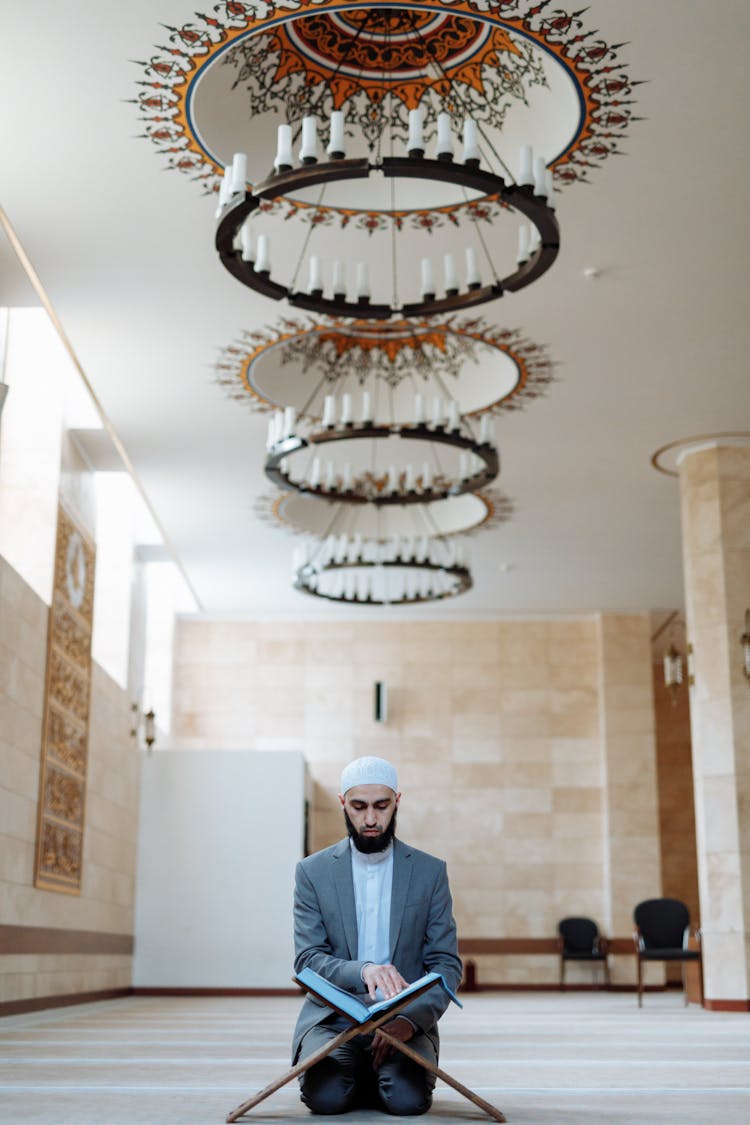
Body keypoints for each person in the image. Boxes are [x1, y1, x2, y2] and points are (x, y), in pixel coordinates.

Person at [292, 755, 462, 1116]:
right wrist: (364, 970)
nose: (371, 819)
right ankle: (358, 1071)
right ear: (343, 804)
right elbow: (307, 960)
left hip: (403, 1018)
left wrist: (408, 1022)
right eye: (359, 807)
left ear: (397, 801)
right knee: (326, 1099)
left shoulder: (430, 873)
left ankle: (380, 1074)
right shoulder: (312, 872)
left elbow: (446, 964)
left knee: (407, 1102)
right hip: (332, 1019)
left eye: (382, 806)